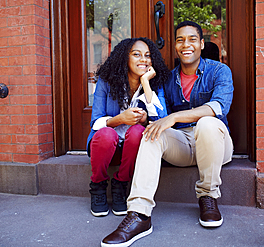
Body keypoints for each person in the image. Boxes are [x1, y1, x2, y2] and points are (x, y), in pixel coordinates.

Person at [101, 21, 234, 247]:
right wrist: (150, 111)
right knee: (151, 132)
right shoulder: (169, 78)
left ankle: (208, 196)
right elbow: (158, 117)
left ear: (201, 44)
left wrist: (173, 117)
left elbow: (218, 107)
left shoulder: (219, 70)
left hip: (215, 144)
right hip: (182, 144)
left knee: (207, 123)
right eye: (180, 40)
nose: (186, 45)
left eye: (192, 39)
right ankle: (139, 214)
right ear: (175, 47)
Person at [86, 37, 170, 217]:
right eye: (136, 54)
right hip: (107, 149)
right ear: (125, 58)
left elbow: (161, 119)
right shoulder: (106, 82)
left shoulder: (154, 84)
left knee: (140, 131)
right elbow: (96, 122)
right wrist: (120, 119)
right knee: (106, 134)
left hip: (133, 152)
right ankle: (98, 186)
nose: (144, 60)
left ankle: (120, 184)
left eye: (147, 56)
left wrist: (146, 83)